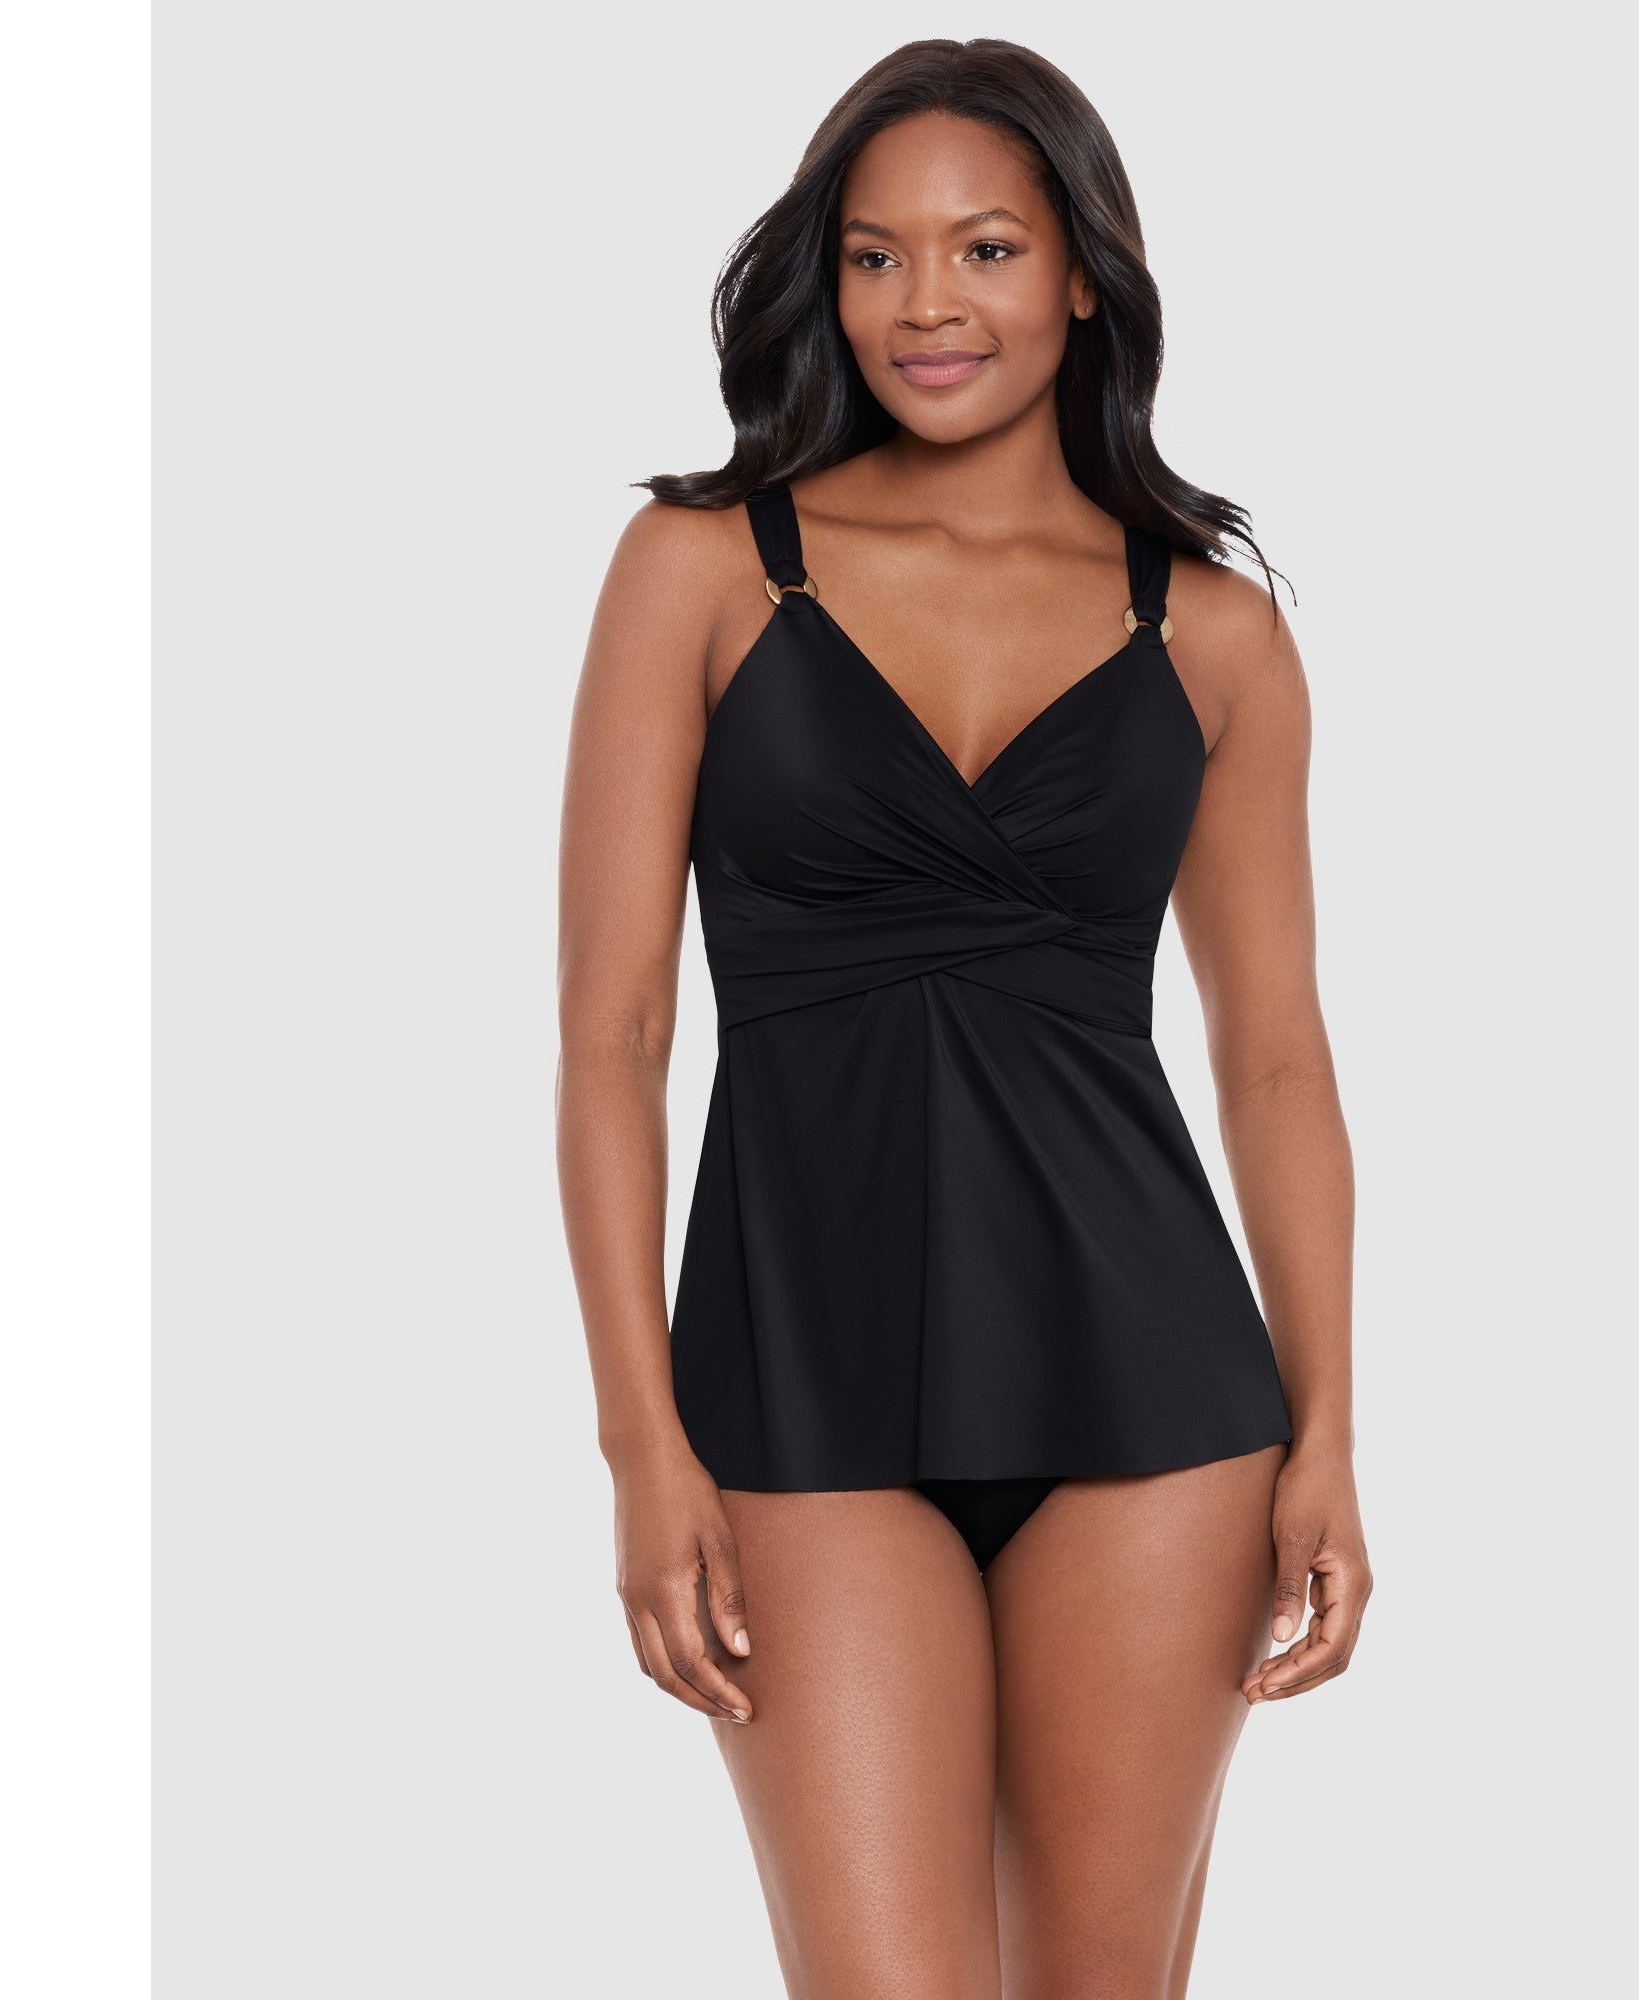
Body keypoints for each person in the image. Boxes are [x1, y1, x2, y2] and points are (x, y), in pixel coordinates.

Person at [555, 36, 1370, 2000]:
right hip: (797, 1380)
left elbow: (1274, 1054)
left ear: (1082, 275)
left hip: (1154, 1394)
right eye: (875, 255)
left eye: (986, 248)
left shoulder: (1217, 629)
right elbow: (611, 1038)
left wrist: (1330, 1428)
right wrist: (640, 1446)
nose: (927, 302)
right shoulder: (700, 570)